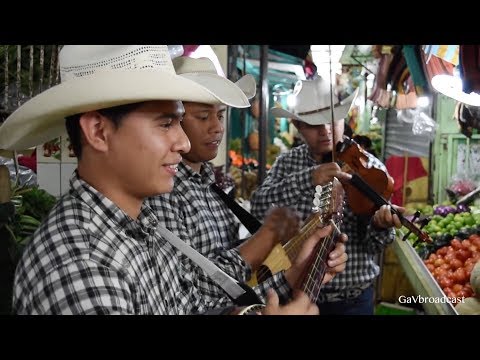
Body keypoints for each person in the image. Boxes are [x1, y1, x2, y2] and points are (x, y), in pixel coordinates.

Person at [0, 45, 328, 315]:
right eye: (165, 123)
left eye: (179, 121)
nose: (182, 142)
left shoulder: (144, 226)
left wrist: (288, 280)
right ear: (99, 131)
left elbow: (193, 306)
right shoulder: (79, 266)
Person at [148, 56, 348, 306]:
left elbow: (235, 292)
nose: (217, 127)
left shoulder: (209, 186)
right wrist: (265, 238)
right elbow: (190, 297)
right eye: (202, 117)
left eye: (220, 116)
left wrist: (293, 274)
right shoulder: (162, 190)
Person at [251, 76, 404, 315]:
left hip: (352, 300)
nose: (326, 131)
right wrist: (309, 178)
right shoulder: (288, 163)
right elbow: (258, 207)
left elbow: (376, 245)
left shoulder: (370, 168)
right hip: (292, 296)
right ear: (299, 127)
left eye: (332, 120)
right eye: (314, 125)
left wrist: (381, 225)